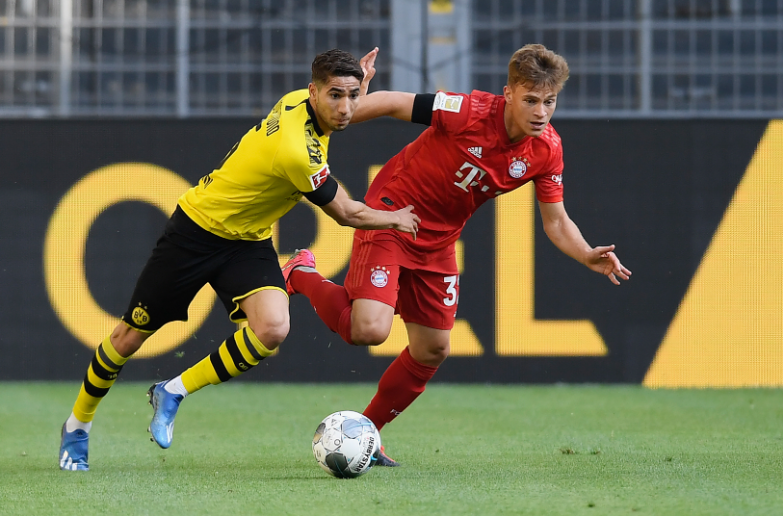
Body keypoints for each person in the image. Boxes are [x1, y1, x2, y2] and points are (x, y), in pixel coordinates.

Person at [58, 48, 420, 471]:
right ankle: (76, 427)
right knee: (127, 340)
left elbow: (340, 113)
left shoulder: (296, 101)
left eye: (353, 96)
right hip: (195, 232)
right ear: (313, 92)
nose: (345, 108)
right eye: (336, 96)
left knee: (273, 328)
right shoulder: (296, 151)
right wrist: (395, 218)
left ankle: (172, 391)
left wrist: (361, 88)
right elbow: (347, 213)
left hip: (246, 242)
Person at [282, 44, 632, 466]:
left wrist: (586, 254)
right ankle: (300, 272)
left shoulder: (547, 150)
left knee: (432, 349)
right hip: (394, 212)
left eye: (550, 102)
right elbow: (397, 103)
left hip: (440, 241)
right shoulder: (469, 111)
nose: (541, 112)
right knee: (369, 330)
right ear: (509, 93)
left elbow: (556, 222)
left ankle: (368, 433)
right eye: (531, 100)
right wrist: (339, 114)